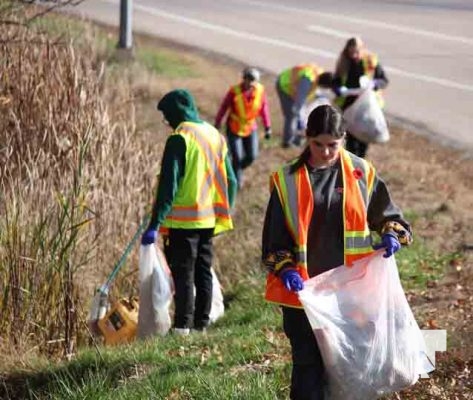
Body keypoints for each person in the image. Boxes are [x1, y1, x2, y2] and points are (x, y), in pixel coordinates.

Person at [262, 105, 412, 400]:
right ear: (307, 138)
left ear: (344, 139)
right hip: (304, 296)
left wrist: (391, 235)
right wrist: (286, 268)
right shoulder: (286, 180)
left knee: (351, 366)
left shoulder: (361, 173)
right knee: (308, 368)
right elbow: (274, 242)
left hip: (351, 294)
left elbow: (389, 218)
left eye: (333, 145)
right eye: (318, 144)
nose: (326, 152)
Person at [141, 89, 238, 335]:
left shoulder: (179, 138)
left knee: (183, 274)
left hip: (184, 224)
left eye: (166, 116)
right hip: (208, 220)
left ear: (175, 112)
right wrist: (224, 212)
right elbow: (232, 181)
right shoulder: (214, 135)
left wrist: (154, 224)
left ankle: (182, 327)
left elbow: (169, 186)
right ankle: (201, 325)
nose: (167, 121)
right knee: (203, 271)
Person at [214, 67, 272, 190]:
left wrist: (267, 127)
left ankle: (234, 168)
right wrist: (218, 122)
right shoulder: (234, 91)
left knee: (252, 156)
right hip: (234, 128)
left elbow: (264, 108)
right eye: (248, 79)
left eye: (253, 80)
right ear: (243, 78)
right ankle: (236, 181)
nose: (250, 82)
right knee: (237, 156)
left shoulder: (260, 91)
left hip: (251, 128)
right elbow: (224, 107)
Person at [332, 37, 389, 158]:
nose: (354, 55)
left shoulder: (370, 61)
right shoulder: (343, 63)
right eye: (351, 52)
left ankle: (360, 162)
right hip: (349, 106)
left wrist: (374, 84)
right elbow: (335, 83)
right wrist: (340, 90)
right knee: (351, 139)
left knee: (363, 137)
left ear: (362, 50)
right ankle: (351, 164)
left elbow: (384, 80)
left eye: (357, 52)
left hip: (366, 106)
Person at [276, 64, 333, 148]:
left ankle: (297, 139)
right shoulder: (307, 80)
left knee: (298, 115)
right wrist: (301, 123)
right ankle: (287, 142)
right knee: (292, 115)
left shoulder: (320, 73)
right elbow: (299, 103)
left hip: (294, 86)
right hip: (285, 85)